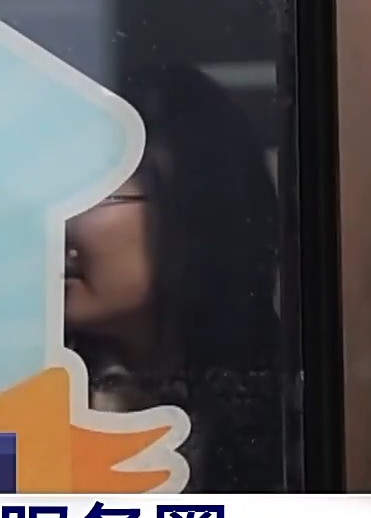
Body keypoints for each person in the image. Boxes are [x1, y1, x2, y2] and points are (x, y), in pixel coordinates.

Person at [63, 63, 286, 491]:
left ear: (191, 211)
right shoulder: (16, 385)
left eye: (89, 188)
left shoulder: (301, 412)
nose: (56, 220)